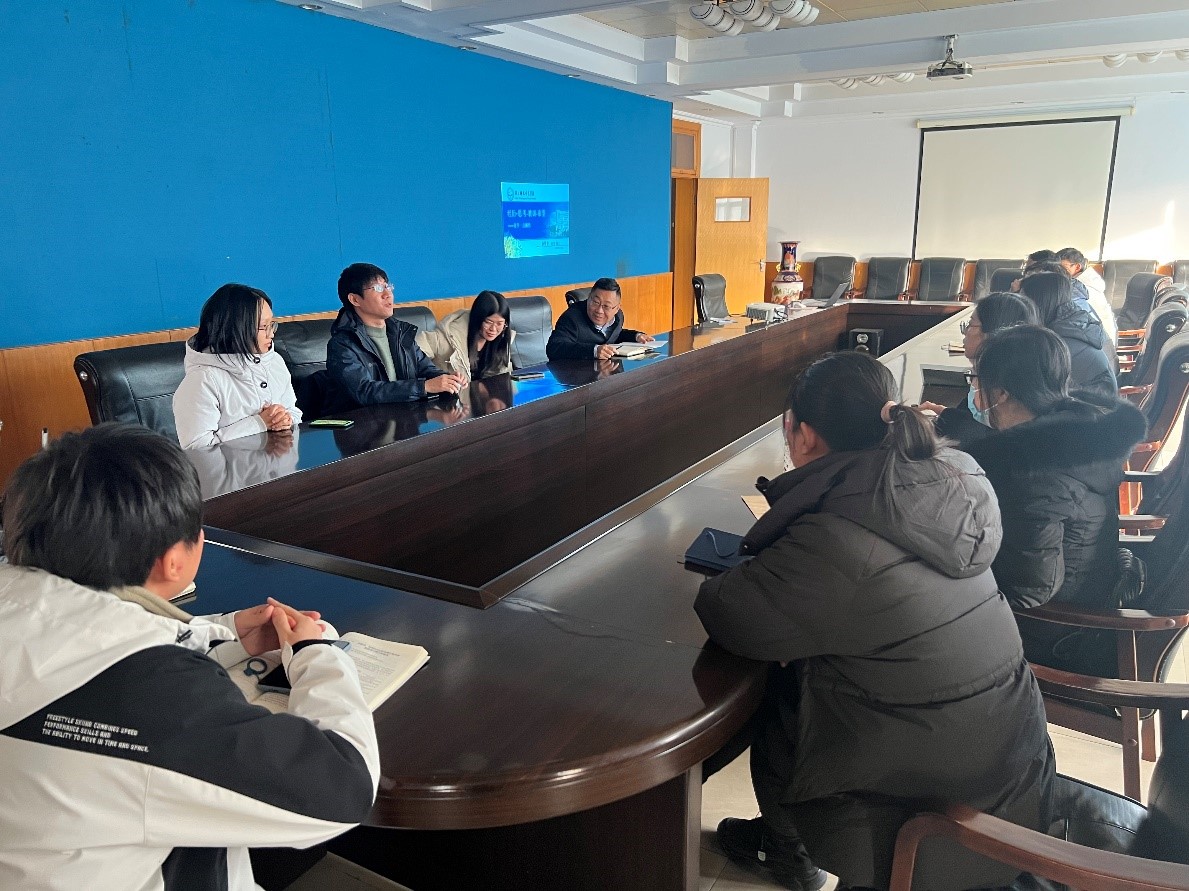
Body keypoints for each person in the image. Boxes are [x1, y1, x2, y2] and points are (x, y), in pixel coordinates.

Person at [695, 351, 1053, 891]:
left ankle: (790, 854)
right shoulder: (950, 480)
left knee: (778, 689)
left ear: (801, 434)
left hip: (928, 825)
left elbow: (730, 613)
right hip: (1015, 774)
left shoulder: (839, 537)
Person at [0, 424, 379, 891]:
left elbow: (80, 646)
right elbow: (341, 789)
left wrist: (227, 635)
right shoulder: (152, 697)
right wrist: (315, 653)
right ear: (174, 561)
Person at [964, 326, 1146, 671]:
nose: (974, 391)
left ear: (999, 393)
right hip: (1086, 598)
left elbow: (1031, 591)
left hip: (1049, 638)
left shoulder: (1032, 472)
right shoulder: (1085, 432)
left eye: (976, 380)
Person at [173, 283, 301, 450]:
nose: (271, 334)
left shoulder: (275, 361)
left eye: (272, 324)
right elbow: (197, 449)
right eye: (263, 327)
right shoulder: (202, 380)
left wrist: (285, 419)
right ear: (235, 328)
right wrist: (259, 423)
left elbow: (294, 411)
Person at [325, 262, 464, 410]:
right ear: (355, 299)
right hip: (366, 421)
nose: (388, 294)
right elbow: (364, 392)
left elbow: (425, 369)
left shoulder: (400, 333)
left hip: (407, 416)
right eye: (378, 289)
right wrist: (423, 387)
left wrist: (449, 380)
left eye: (388, 287)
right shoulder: (342, 344)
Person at [922, 292, 1038, 447]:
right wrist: (945, 413)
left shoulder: (993, 387)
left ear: (991, 335)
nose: (965, 332)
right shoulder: (1023, 387)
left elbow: (969, 432)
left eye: (970, 325)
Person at [1019, 270, 1116, 393]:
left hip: (1090, 402)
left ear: (1039, 303)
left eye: (1024, 302)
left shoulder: (1057, 340)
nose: (1020, 309)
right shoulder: (1071, 325)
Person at [546, 277, 655, 361]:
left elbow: (613, 335)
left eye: (606, 306)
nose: (599, 310)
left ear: (617, 308)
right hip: (577, 376)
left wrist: (636, 336)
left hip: (608, 374)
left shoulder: (618, 317)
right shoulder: (572, 318)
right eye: (595, 302)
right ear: (589, 298)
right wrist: (594, 351)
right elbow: (554, 347)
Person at [418, 290, 515, 380]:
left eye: (499, 324)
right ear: (477, 318)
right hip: (455, 392)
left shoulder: (503, 338)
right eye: (488, 322)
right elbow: (412, 354)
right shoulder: (447, 336)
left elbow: (503, 374)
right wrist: (435, 377)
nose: (493, 329)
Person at [1057, 247, 1115, 344]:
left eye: (1062, 268)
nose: (1057, 272)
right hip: (1102, 338)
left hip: (1101, 342)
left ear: (1077, 267)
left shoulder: (1080, 289)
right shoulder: (1088, 282)